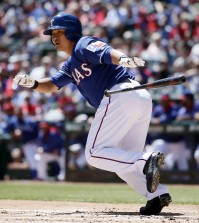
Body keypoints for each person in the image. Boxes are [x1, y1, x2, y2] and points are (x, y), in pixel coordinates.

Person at [13, 13, 171, 215]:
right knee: (123, 161)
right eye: (52, 33)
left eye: (59, 32)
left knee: (95, 152)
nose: (54, 37)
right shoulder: (71, 64)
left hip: (120, 95)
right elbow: (52, 85)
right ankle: (156, 195)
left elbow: (106, 51)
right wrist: (33, 83)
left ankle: (146, 160)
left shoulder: (82, 44)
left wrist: (123, 59)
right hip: (137, 99)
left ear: (71, 31)